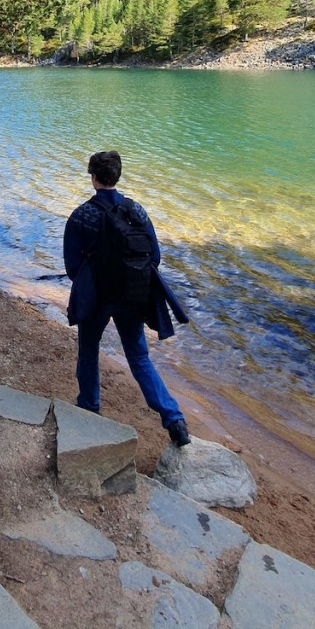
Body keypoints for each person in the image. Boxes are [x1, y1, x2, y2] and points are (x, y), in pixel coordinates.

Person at [63, 150, 192, 448]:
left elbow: (72, 266)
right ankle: (174, 420)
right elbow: (154, 258)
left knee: (89, 352)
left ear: (93, 178)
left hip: (97, 297)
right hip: (132, 296)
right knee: (139, 358)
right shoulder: (138, 212)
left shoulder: (82, 215)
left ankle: (89, 408)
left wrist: (91, 285)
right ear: (117, 177)